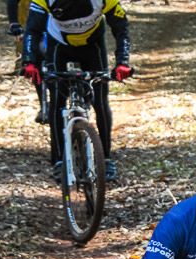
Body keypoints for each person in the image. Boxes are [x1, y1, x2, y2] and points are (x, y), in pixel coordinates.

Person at [20, 0, 134, 182]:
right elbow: (32, 30)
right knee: (57, 100)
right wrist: (29, 61)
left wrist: (123, 63)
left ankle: (105, 158)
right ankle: (58, 160)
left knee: (100, 100)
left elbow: (121, 28)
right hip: (59, 46)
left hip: (92, 45)